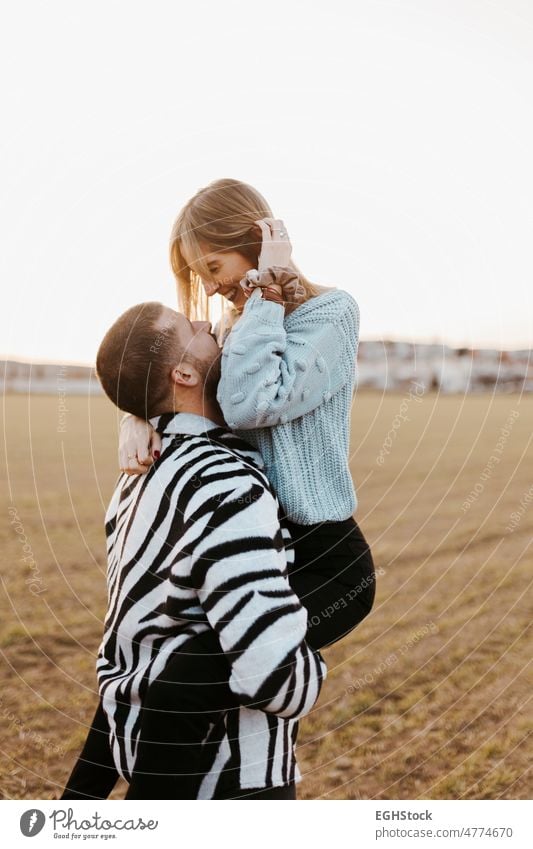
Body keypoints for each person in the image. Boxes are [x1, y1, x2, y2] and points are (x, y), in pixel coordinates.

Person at [62, 301, 327, 801]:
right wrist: (306, 672)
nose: (207, 323)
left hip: (150, 754)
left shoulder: (135, 479)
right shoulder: (224, 483)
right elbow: (276, 677)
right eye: (192, 328)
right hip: (229, 780)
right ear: (182, 372)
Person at [121, 178, 376, 651]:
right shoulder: (236, 324)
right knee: (195, 673)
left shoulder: (331, 313)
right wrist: (138, 417)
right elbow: (181, 383)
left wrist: (265, 292)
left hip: (320, 552)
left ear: (257, 243)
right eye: (202, 276)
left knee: (204, 668)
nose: (213, 287)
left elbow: (251, 404)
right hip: (249, 532)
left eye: (214, 267)